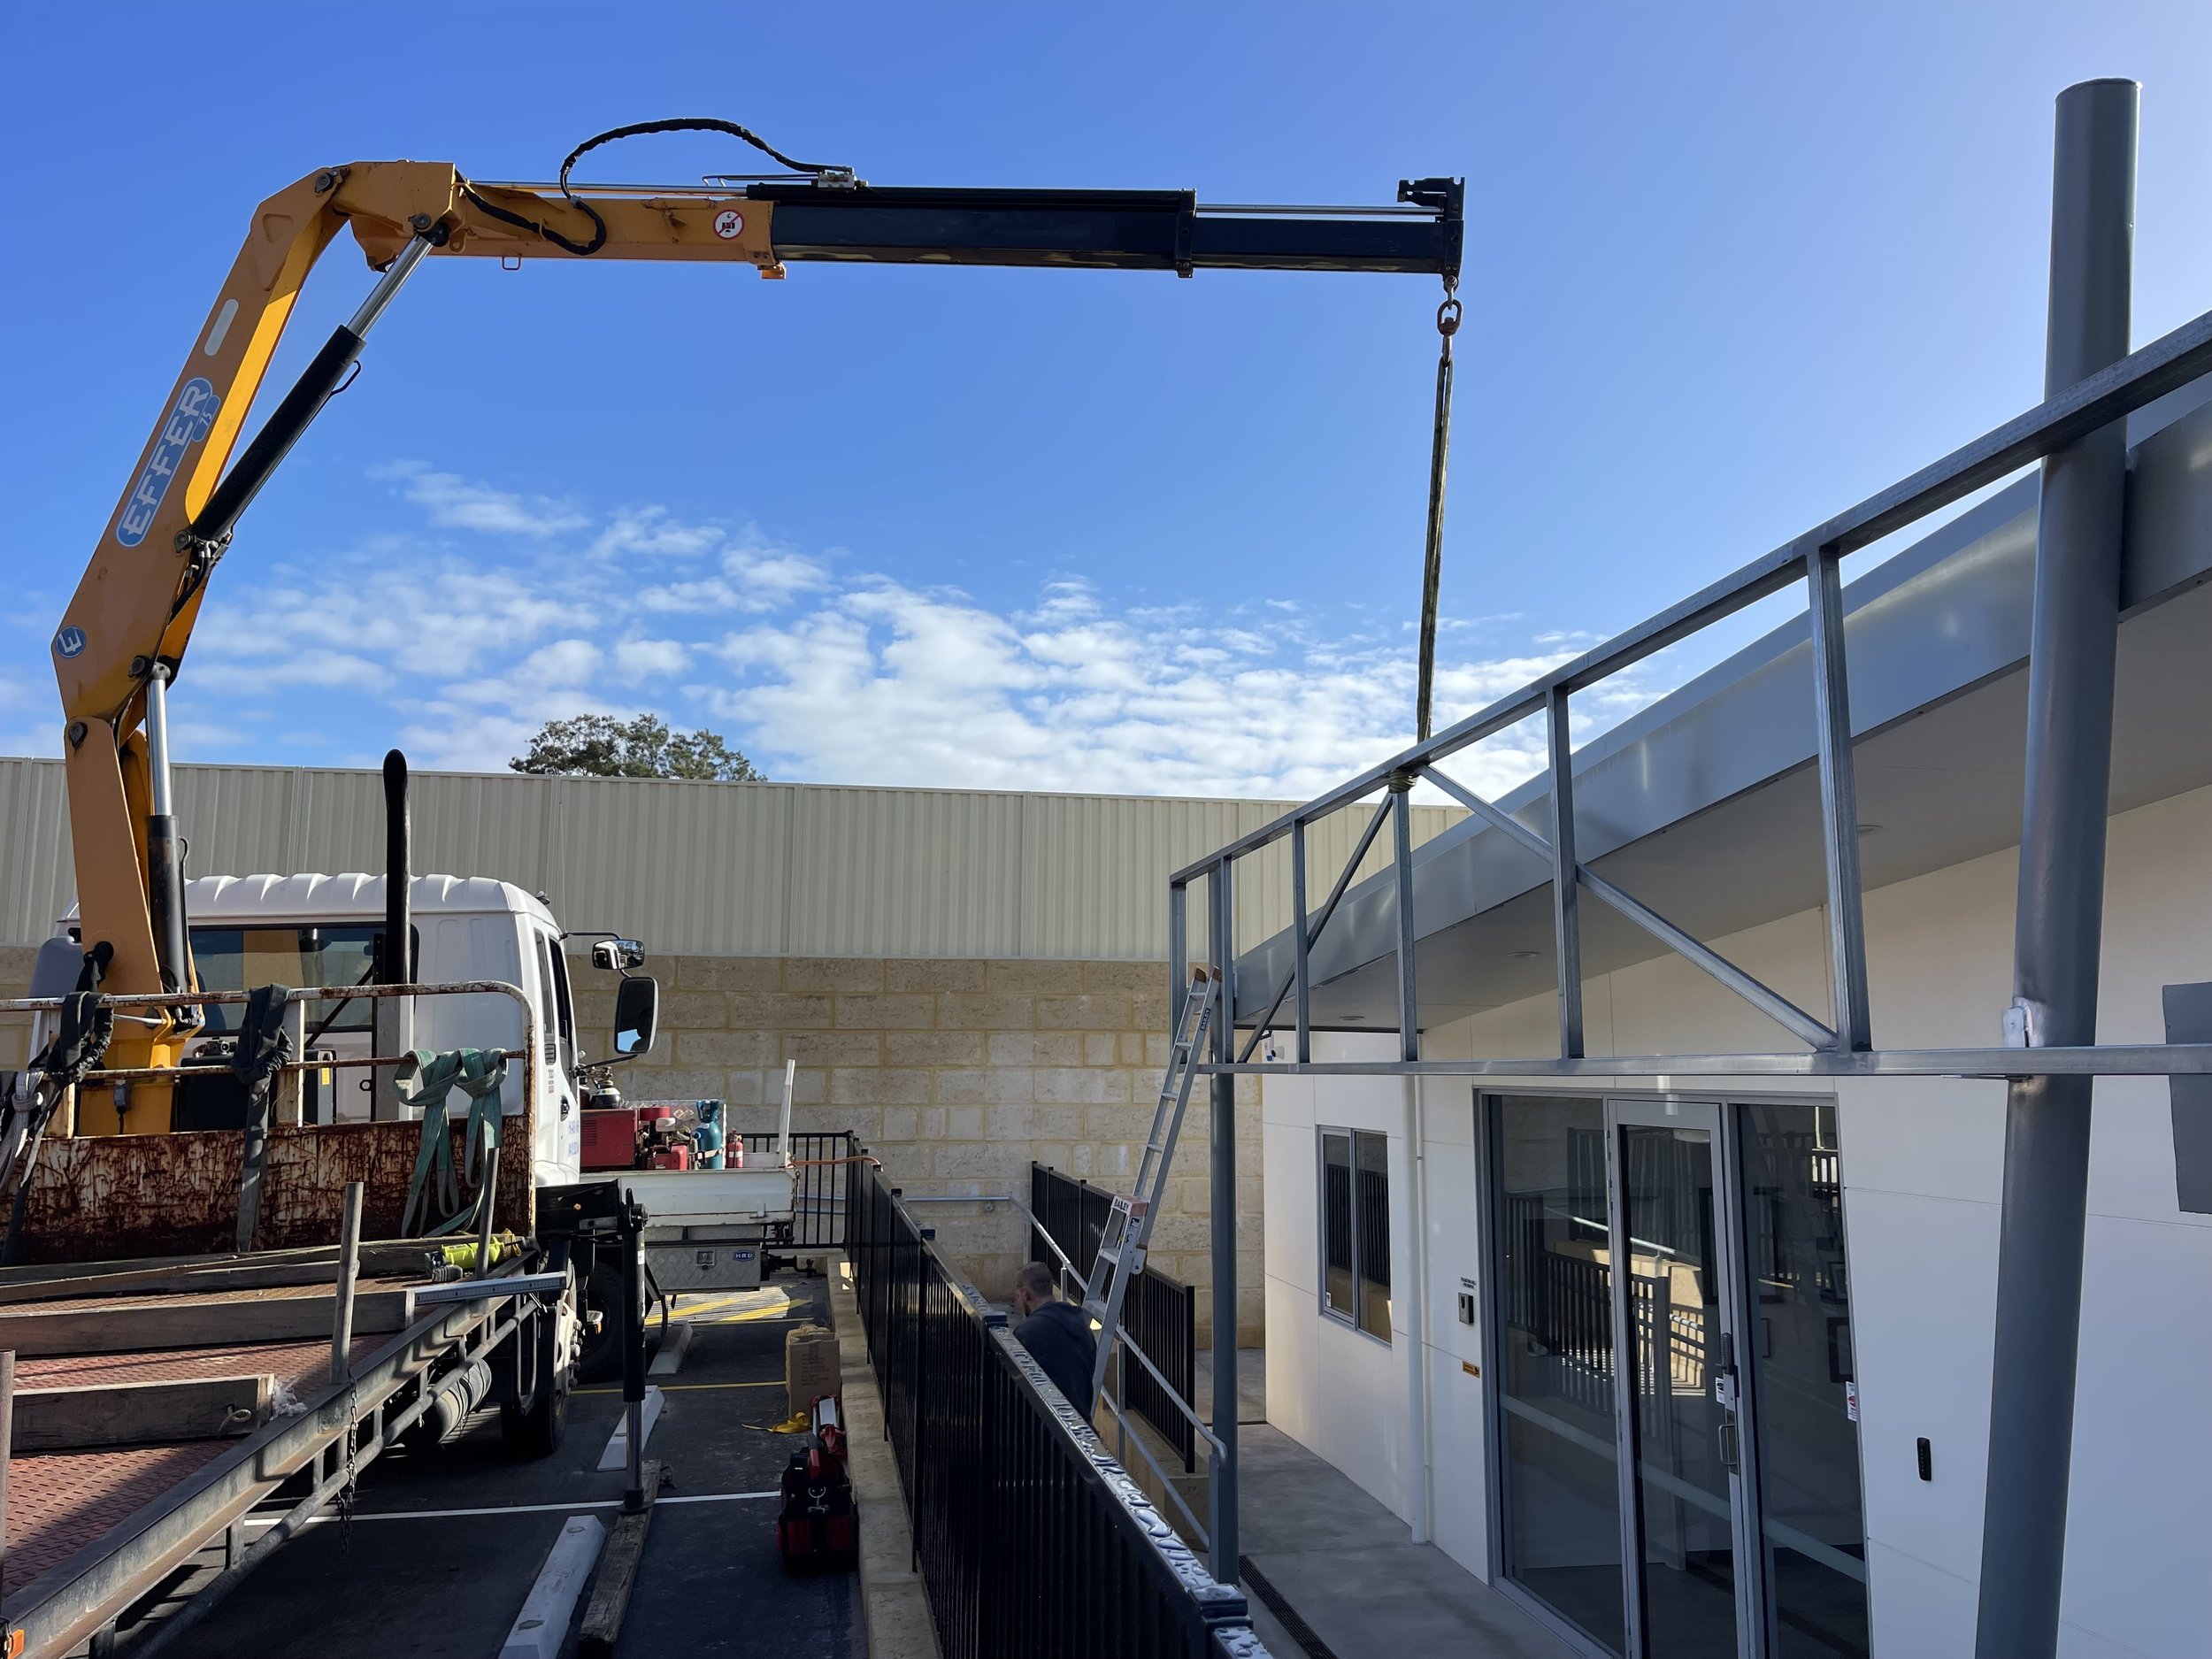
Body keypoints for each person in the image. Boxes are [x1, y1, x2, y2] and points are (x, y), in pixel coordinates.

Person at [1011, 1261, 1097, 1416]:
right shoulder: (1083, 1327)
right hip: (1080, 1424)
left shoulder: (1027, 1332)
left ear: (1025, 1294)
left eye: (1018, 1297)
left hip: (1048, 1427)